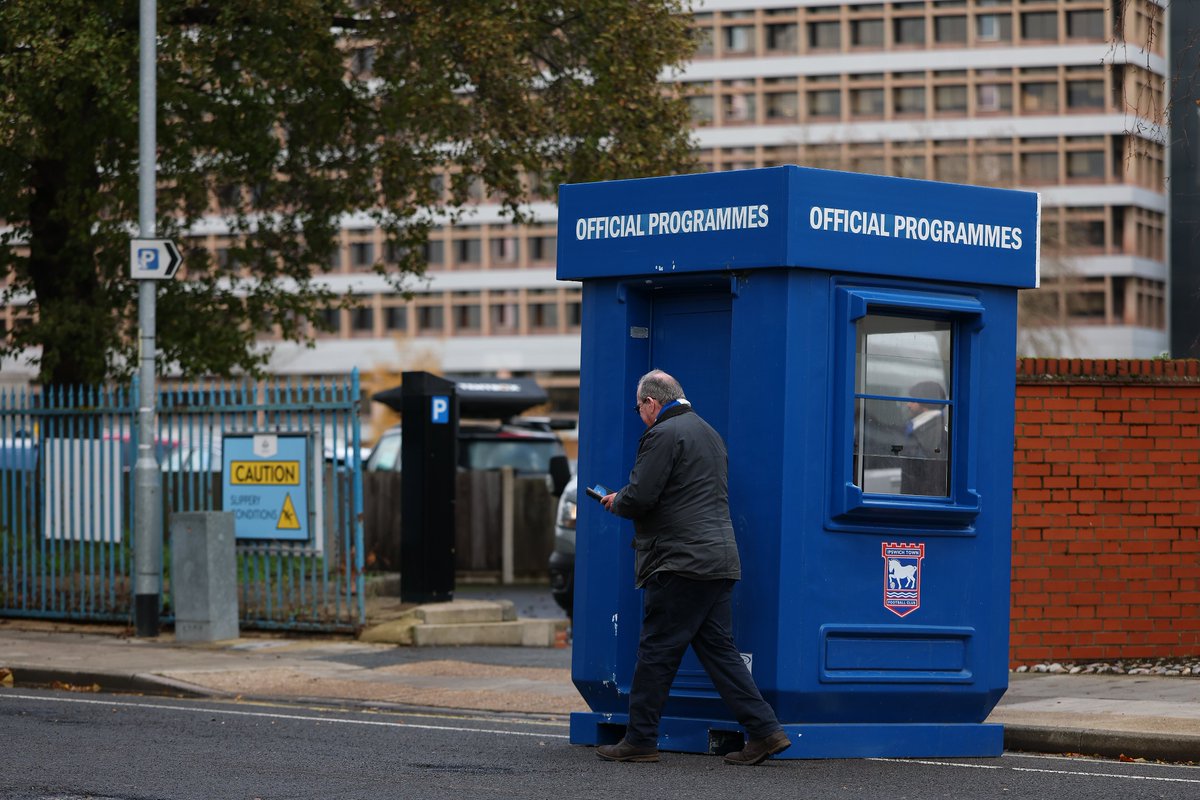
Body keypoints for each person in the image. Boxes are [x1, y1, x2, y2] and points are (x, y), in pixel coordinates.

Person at [595, 369, 790, 766]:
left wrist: (618, 500)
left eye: (639, 408)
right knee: (720, 652)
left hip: (679, 561)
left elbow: (643, 495)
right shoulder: (708, 431)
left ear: (652, 402)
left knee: (656, 652)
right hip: (718, 559)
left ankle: (640, 740)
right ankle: (766, 732)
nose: (640, 415)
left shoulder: (663, 434)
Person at [899, 381, 948, 496]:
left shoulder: (935, 431)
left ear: (925, 402)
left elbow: (932, 473)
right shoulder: (923, 427)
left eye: (913, 400)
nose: (908, 405)